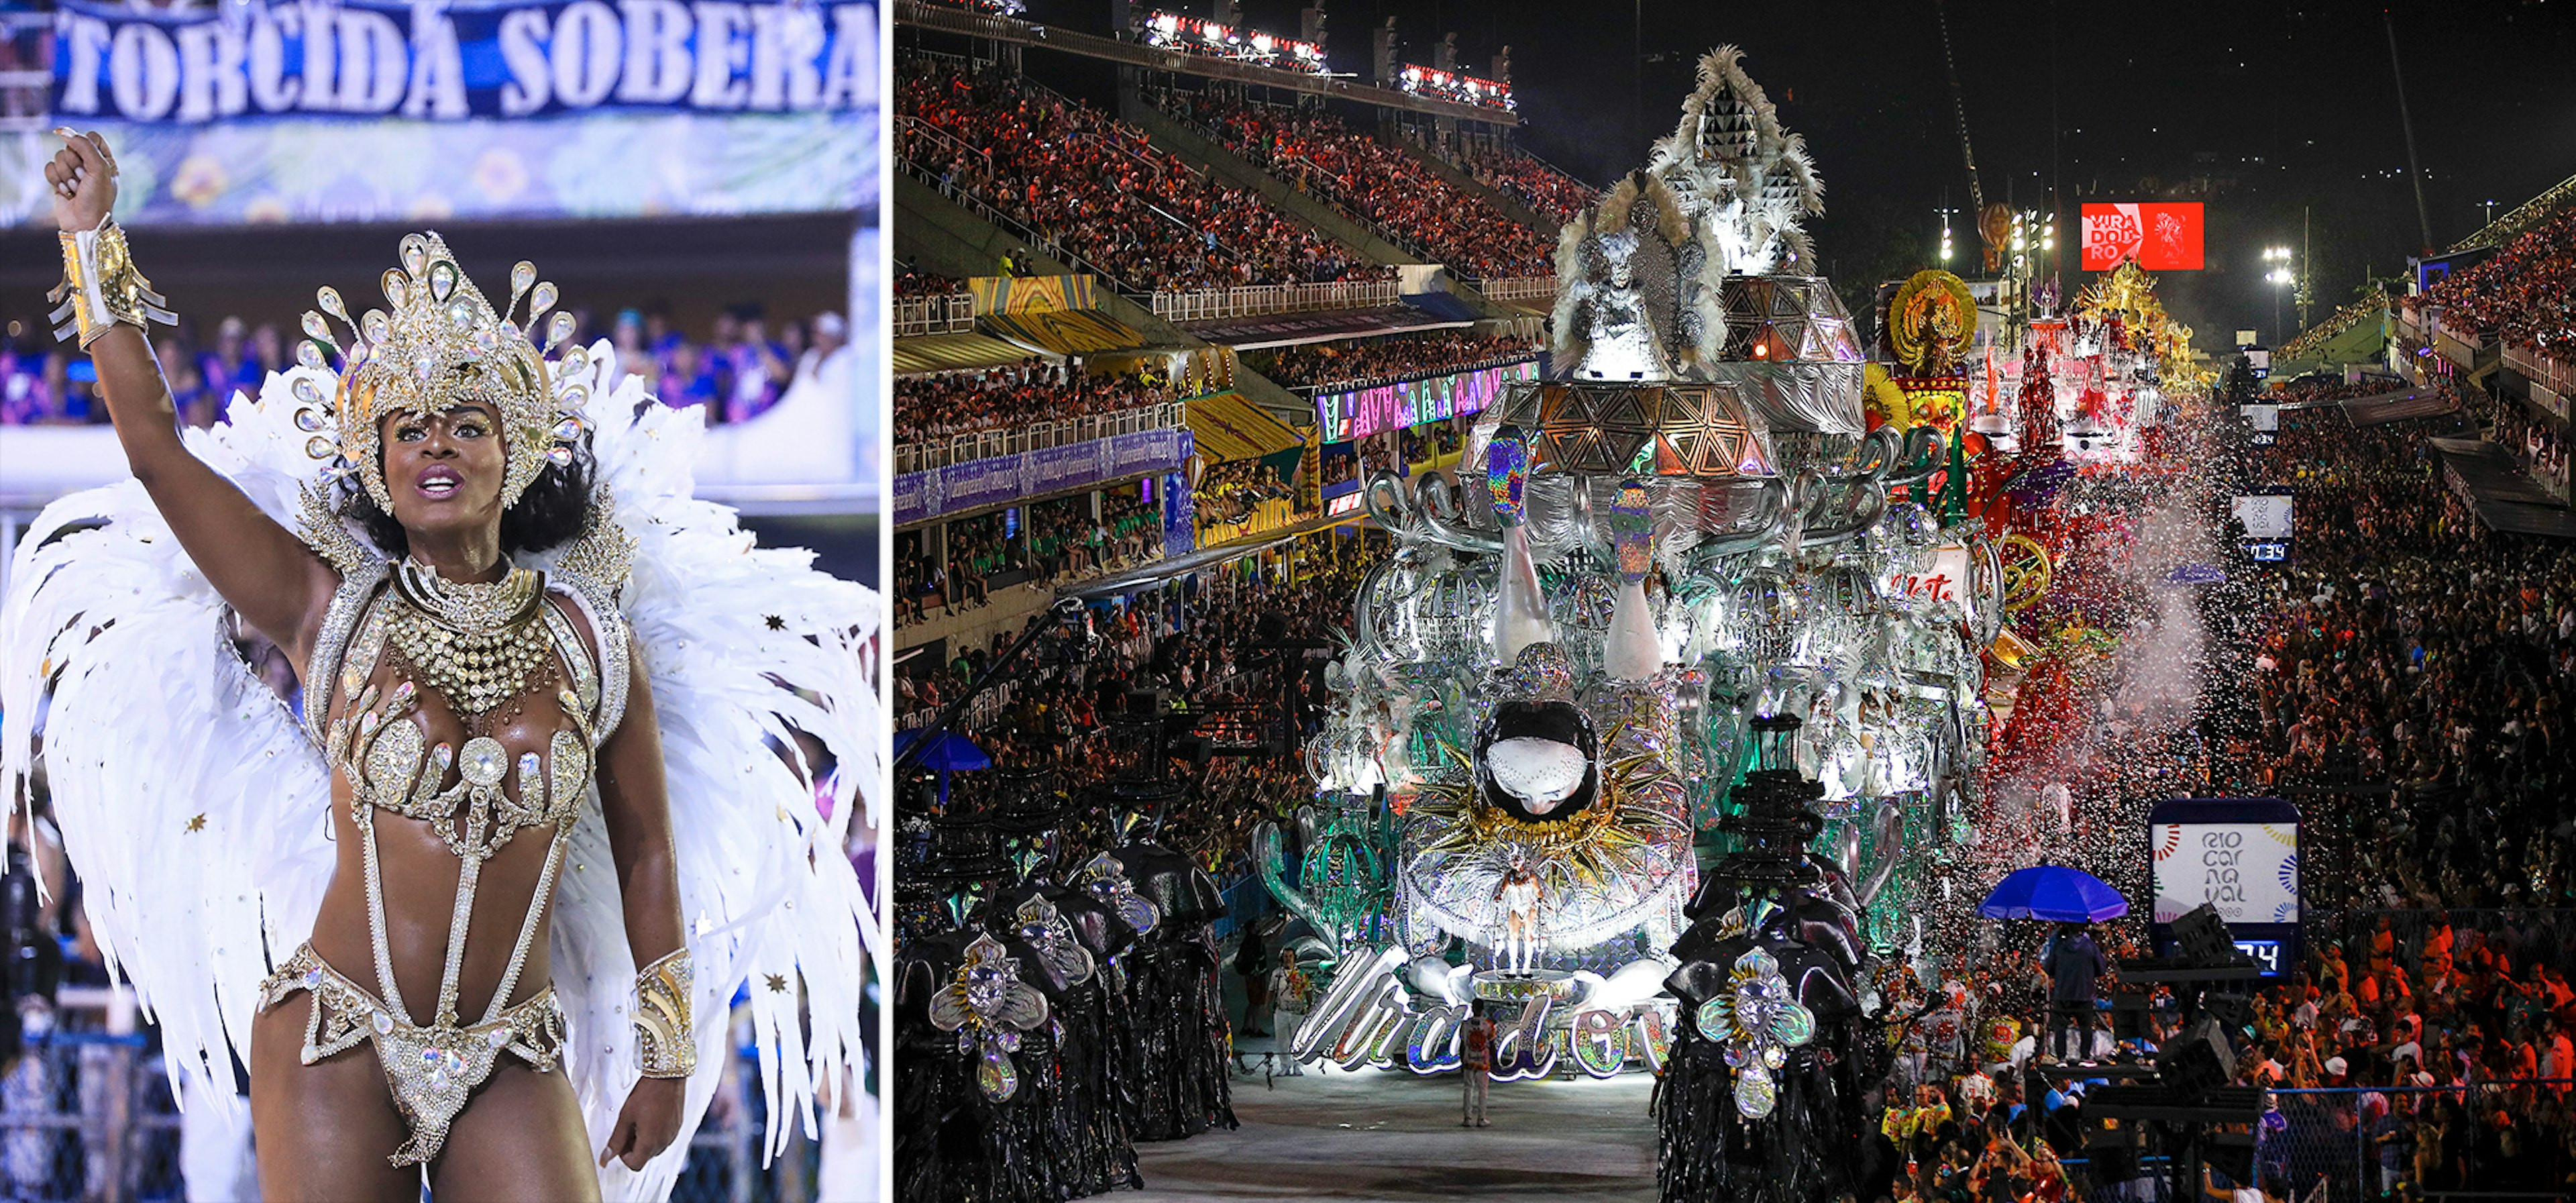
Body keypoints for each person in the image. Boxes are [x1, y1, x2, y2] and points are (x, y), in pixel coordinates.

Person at [16, 130, 879, 1200]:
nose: (437, 447)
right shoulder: (322, 609)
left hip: (511, 1048)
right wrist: (93, 238)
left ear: (513, 451)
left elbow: (648, 848)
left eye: (467, 425)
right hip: (338, 1032)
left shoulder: (591, 635)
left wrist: (667, 1048)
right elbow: (152, 445)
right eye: (410, 429)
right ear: (376, 462)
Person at [2041, 921, 2108, 1062]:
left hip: (2063, 993)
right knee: (2086, 1027)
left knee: (2061, 1027)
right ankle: (2085, 1057)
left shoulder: (2059, 946)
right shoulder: (2090, 946)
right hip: (2085, 993)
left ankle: (2061, 1058)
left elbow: (2048, 968)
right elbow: (2101, 969)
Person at [1460, 1006, 1495, 1127]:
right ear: (1482, 1009)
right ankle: (1481, 1118)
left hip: (1469, 1060)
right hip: (1483, 1062)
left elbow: (1463, 1044)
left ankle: (1467, 1118)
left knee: (1468, 1089)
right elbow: (1492, 1043)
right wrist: (1494, 1061)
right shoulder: (1488, 1024)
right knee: (1483, 1090)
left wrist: (1462, 1061)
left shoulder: (1465, 1025)